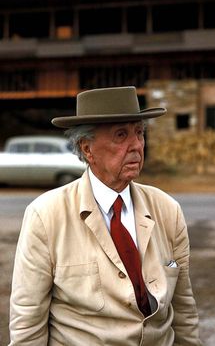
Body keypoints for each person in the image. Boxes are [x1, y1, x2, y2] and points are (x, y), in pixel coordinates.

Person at [9, 86, 202, 346]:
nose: (136, 145)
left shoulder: (167, 210)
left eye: (139, 133)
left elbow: (184, 314)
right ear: (87, 149)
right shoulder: (46, 216)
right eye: (120, 135)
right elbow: (28, 327)